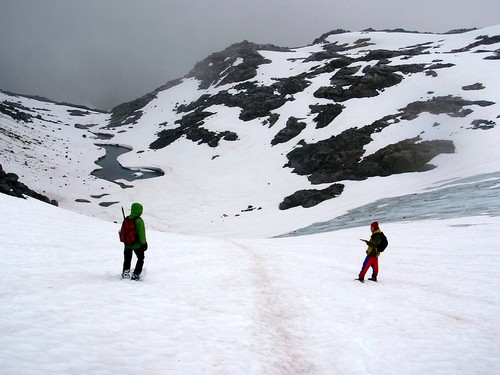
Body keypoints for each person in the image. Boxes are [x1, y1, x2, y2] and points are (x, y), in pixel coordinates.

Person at [122, 202, 148, 280]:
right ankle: (136, 274)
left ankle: (126, 273)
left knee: (127, 259)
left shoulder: (126, 219)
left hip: (127, 244)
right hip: (137, 244)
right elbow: (141, 234)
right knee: (140, 258)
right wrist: (144, 244)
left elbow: (123, 231)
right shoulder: (139, 220)